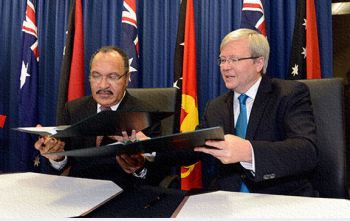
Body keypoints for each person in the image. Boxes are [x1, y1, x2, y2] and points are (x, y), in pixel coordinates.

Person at [139, 28, 318, 196]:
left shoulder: (289, 94)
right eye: (222, 60)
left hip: (278, 198)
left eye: (233, 59)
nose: (225, 67)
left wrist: (249, 151)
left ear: (259, 63)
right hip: (227, 200)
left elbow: (306, 151)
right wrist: (150, 146)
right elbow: (193, 147)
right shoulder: (215, 106)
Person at [34, 46, 167, 189]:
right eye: (96, 76)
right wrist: (57, 157)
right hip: (78, 194)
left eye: (113, 76)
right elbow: (62, 165)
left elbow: (158, 174)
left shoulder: (146, 114)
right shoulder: (73, 109)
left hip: (125, 196)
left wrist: (139, 168)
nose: (103, 85)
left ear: (127, 78)